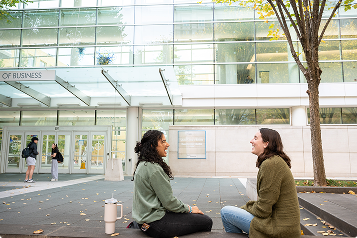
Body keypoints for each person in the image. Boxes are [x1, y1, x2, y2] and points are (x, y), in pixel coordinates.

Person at [220, 128, 300, 238]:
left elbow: (263, 210)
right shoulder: (273, 161)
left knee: (226, 212)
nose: (251, 141)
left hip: (279, 229)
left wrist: (245, 208)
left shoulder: (271, 164)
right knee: (232, 213)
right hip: (283, 226)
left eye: (255, 138)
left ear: (266, 144)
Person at [131, 130, 212, 238]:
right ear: (152, 146)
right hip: (155, 223)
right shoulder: (154, 169)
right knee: (206, 221)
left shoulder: (143, 164)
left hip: (144, 221)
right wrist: (190, 209)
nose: (167, 144)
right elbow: (169, 202)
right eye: (163, 142)